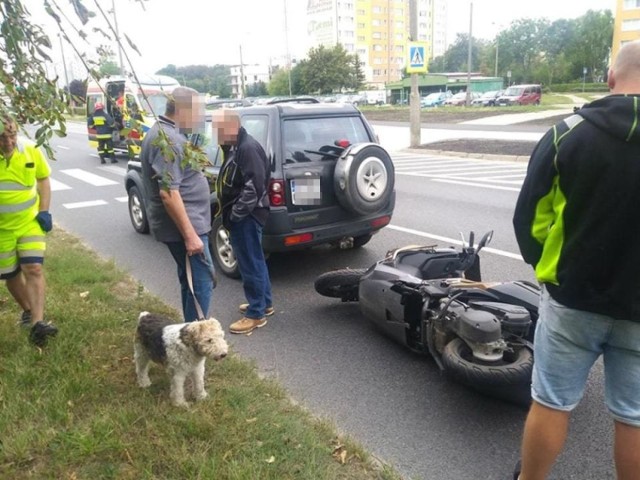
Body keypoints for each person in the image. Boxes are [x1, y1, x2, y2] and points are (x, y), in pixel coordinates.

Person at [512, 40, 640, 480]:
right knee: (634, 416)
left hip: (572, 300)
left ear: (610, 78)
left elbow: (530, 218)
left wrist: (547, 271)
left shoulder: (566, 133)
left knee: (551, 402)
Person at [139, 87, 215, 323]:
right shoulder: (168, 141)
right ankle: (196, 341)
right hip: (186, 228)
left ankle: (188, 335)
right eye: (198, 112)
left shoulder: (166, 133)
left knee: (191, 282)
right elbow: (169, 194)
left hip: (187, 225)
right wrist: (191, 236)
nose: (200, 118)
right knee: (200, 283)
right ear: (183, 110)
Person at [213, 109, 273, 334]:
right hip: (244, 215)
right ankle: (264, 304)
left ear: (231, 127)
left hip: (247, 216)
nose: (215, 133)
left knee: (250, 263)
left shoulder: (247, 148)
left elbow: (254, 187)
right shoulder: (236, 146)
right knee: (255, 260)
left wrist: (236, 214)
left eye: (219, 129)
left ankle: (255, 314)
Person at [0, 115, 58, 346]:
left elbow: (43, 179)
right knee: (10, 275)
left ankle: (37, 324)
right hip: (2, 229)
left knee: (33, 267)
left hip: (29, 222)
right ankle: (27, 309)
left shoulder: (31, 149)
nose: (9, 142)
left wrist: (43, 211)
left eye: (12, 135)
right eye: (3, 137)